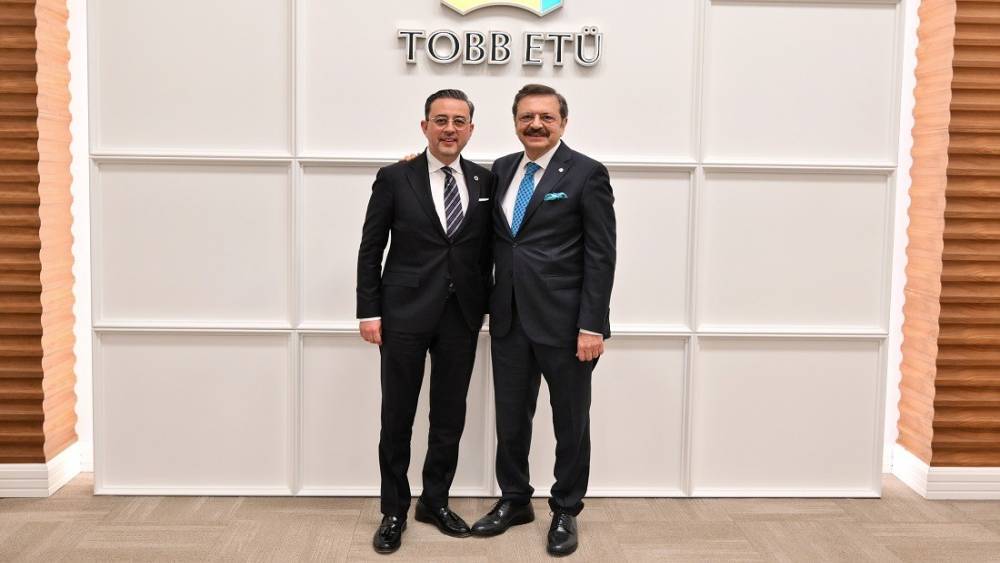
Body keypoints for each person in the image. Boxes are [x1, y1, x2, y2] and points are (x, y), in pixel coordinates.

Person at [469, 84, 616, 557]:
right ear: (515, 122)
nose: (536, 124)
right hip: (509, 318)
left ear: (563, 123)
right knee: (511, 419)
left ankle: (566, 509)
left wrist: (592, 325)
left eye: (546, 117)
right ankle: (515, 500)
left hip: (568, 325)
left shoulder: (587, 173)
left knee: (570, 421)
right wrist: (415, 165)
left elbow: (601, 255)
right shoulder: (501, 170)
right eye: (527, 116)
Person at [356, 89, 495, 554]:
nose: (449, 129)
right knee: (397, 416)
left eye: (458, 121)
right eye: (440, 120)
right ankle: (394, 510)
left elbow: (488, 249)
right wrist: (369, 311)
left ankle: (435, 501)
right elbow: (371, 248)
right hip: (403, 314)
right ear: (425, 126)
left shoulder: (485, 180)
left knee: (449, 416)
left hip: (461, 317)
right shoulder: (395, 177)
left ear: (470, 129)